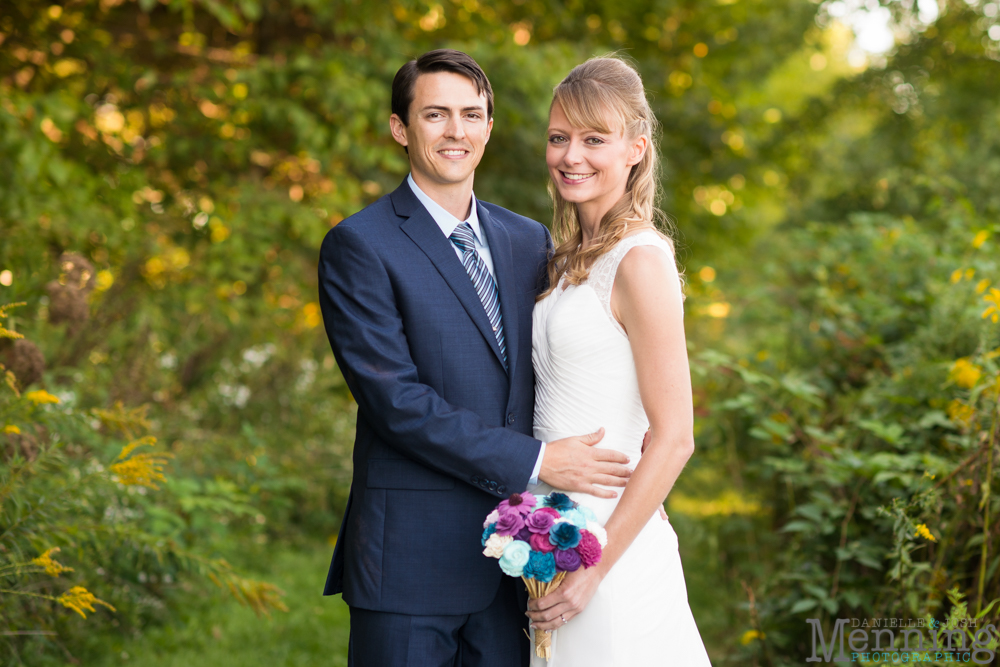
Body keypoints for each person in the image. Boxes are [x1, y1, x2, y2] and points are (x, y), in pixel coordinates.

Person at [316, 49, 633, 667]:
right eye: (435, 114)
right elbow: (396, 403)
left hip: (518, 562)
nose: (455, 131)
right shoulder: (360, 244)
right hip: (410, 558)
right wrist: (540, 460)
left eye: (471, 114)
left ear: (489, 127)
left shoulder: (528, 239)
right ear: (401, 129)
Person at [524, 57, 713, 665]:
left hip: (610, 550)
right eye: (559, 138)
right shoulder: (565, 257)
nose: (570, 155)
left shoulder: (640, 261)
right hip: (550, 538)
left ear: (636, 148)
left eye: (593, 139)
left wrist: (594, 567)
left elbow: (676, 437)